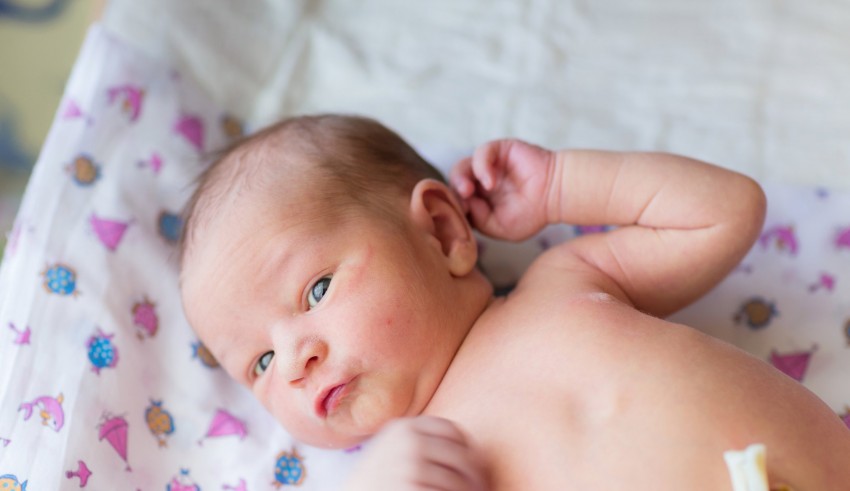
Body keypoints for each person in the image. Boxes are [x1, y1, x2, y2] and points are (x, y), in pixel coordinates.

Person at [178, 114, 850, 490]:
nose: (294, 360)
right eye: (260, 361)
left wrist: (560, 186)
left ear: (442, 231)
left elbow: (726, 212)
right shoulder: (420, 473)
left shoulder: (566, 280)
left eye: (315, 291)